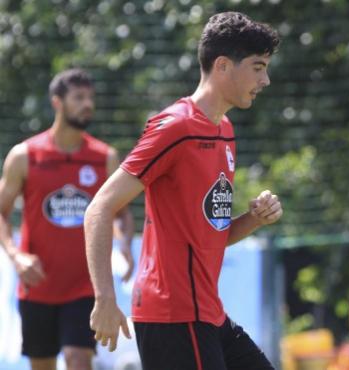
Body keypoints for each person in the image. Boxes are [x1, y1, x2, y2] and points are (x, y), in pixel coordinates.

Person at [84, 11, 283, 370]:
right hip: (173, 316)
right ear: (223, 65)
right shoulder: (176, 127)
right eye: (258, 67)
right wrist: (104, 299)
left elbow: (210, 235)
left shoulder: (225, 131)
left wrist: (253, 219)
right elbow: (99, 208)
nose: (265, 79)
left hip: (208, 314)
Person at [0, 68, 135, 370]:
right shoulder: (25, 156)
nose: (88, 104)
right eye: (79, 97)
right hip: (38, 286)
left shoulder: (105, 157)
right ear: (57, 102)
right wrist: (15, 254)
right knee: (43, 365)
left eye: (91, 98)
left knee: (78, 360)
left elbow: (122, 214)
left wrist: (125, 244)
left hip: (84, 287)